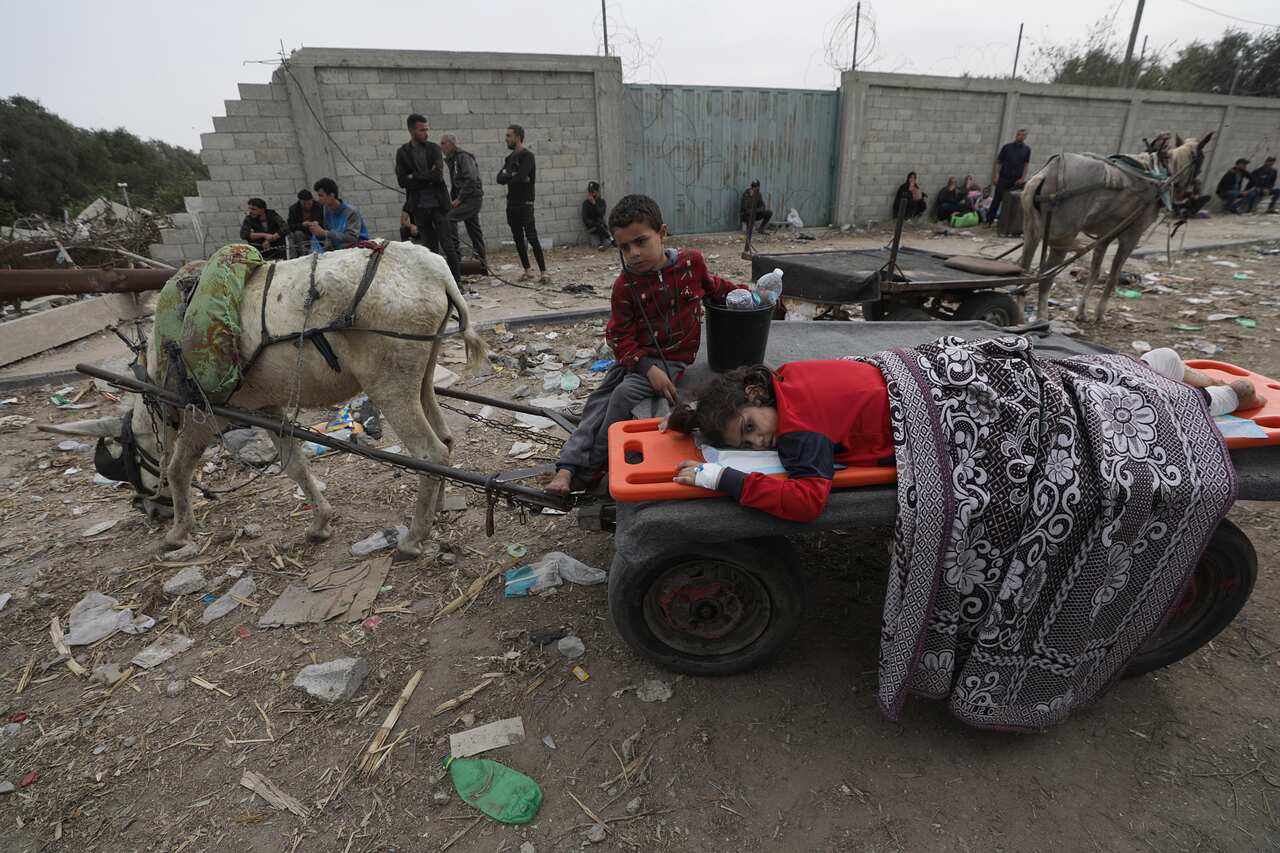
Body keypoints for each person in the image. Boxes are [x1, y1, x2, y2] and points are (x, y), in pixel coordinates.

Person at [661, 346, 1264, 522]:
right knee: (1070, 389)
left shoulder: (800, 432)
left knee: (1092, 430)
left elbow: (804, 502)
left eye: (751, 429)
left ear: (753, 396)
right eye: (749, 446)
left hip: (964, 410)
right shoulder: (791, 374)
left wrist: (722, 475)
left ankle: (1207, 401)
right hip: (955, 369)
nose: (762, 445)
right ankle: (1149, 369)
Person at [544, 194, 749, 497]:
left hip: (675, 358)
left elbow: (715, 288)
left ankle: (593, 467)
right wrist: (645, 367)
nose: (633, 253)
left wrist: (750, 296)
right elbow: (618, 338)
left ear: (663, 233)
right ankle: (568, 465)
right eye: (624, 247)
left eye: (641, 242)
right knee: (597, 401)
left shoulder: (691, 264)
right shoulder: (625, 286)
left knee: (623, 395)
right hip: (637, 359)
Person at [395, 113, 461, 282]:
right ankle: (437, 283)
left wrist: (414, 177)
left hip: (439, 205)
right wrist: (426, 176)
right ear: (411, 131)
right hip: (419, 207)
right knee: (430, 250)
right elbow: (402, 181)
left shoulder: (433, 148)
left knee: (448, 246)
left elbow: (438, 175)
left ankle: (456, 283)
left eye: (426, 129)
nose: (426, 133)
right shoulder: (403, 153)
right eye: (421, 130)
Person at [497, 124, 549, 284]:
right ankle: (527, 271)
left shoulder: (527, 156)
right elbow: (499, 178)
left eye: (508, 136)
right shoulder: (509, 158)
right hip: (511, 203)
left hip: (525, 203)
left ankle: (544, 272)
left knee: (532, 237)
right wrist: (512, 175)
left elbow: (521, 177)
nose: (506, 139)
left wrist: (510, 175)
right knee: (518, 238)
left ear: (518, 137)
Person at [438, 133, 486, 269]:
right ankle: (482, 264)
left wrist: (459, 199)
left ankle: (455, 258)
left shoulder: (463, 157)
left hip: (471, 198)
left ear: (451, 144)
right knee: (474, 229)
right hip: (467, 198)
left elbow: (471, 179)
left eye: (443, 143)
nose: (441, 147)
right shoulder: (452, 159)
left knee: (449, 218)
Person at [307, 178, 368, 251]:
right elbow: (329, 236)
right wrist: (317, 232)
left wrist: (325, 233)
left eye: (321, 196)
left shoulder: (351, 212)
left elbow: (352, 238)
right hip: (338, 251)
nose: (319, 199)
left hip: (356, 249)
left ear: (332, 195)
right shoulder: (326, 210)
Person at [989, 128, 1031, 224]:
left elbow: (1026, 164)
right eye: (1019, 134)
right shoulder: (1007, 147)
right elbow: (999, 162)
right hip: (1004, 177)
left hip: (1016, 180)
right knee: (997, 199)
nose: (1021, 136)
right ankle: (989, 221)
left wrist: (1022, 178)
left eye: (1023, 135)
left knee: (1012, 201)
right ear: (1016, 135)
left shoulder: (1026, 150)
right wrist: (996, 175)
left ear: (1025, 137)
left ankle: (1006, 222)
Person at [286, 190, 324, 256]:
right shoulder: (293, 209)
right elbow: (291, 225)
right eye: (304, 204)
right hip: (303, 232)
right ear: (300, 202)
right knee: (298, 234)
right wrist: (302, 224)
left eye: (309, 203)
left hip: (317, 230)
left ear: (312, 200)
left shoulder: (318, 206)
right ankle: (304, 255)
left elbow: (323, 219)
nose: (307, 206)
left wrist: (317, 222)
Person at [581, 181, 610, 248]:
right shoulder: (586, 203)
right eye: (590, 192)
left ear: (597, 192)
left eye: (593, 192)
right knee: (599, 225)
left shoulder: (602, 202)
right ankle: (604, 241)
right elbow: (585, 218)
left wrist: (594, 204)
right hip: (592, 227)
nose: (591, 194)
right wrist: (593, 224)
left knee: (602, 225)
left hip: (601, 226)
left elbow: (601, 214)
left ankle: (607, 240)